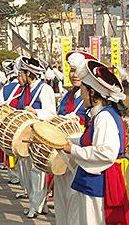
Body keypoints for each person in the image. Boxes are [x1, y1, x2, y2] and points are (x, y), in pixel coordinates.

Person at [63, 59, 129, 224]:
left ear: (93, 93)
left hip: (99, 183)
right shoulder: (102, 114)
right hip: (96, 180)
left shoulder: (104, 117)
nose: (81, 95)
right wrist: (65, 141)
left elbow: (106, 152)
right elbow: (87, 141)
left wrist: (73, 150)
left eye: (83, 90)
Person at [53, 50, 95, 225]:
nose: (74, 74)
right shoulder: (68, 95)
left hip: (79, 154)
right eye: (71, 70)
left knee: (74, 199)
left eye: (78, 70)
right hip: (62, 152)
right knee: (61, 198)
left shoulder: (93, 99)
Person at [14, 56, 56, 219]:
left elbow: (52, 113)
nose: (19, 77)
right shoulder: (24, 90)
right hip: (24, 137)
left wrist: (36, 112)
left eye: (21, 74)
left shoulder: (45, 89)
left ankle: (34, 206)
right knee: (26, 171)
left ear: (28, 73)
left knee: (37, 171)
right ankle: (40, 204)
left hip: (39, 136)